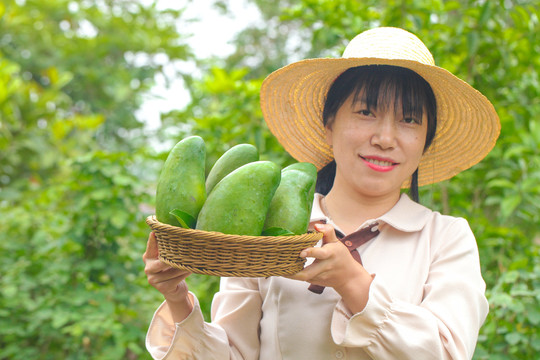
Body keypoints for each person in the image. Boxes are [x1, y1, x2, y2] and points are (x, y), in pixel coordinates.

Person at [143, 27, 500, 359]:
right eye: (366, 112)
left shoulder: (446, 239)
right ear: (328, 124)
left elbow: (448, 352)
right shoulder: (268, 230)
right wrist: (178, 301)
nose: (385, 138)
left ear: (426, 141)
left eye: (409, 120)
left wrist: (353, 284)